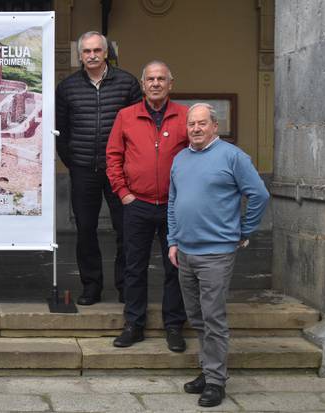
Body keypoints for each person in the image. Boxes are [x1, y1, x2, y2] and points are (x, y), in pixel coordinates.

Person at [168, 103, 269, 407]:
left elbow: (260, 194)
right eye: (191, 124)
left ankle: (216, 381)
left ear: (215, 126)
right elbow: (174, 201)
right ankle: (208, 369)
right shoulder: (181, 158)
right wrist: (173, 240)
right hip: (184, 251)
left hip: (216, 253)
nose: (195, 129)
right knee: (197, 317)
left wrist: (243, 231)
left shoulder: (233, 156)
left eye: (201, 124)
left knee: (213, 318)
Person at [106, 60, 189, 351]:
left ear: (170, 83)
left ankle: (174, 326)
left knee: (175, 267)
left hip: (173, 207)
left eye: (161, 79)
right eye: (150, 79)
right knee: (134, 267)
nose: (155, 83)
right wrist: (123, 192)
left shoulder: (185, 116)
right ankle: (134, 324)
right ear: (143, 85)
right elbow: (113, 156)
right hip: (137, 204)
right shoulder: (126, 116)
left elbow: (197, 156)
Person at [55, 31, 142, 306]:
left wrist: (126, 164)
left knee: (125, 230)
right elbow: (62, 130)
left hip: (119, 171)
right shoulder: (67, 87)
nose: (91, 55)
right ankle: (91, 287)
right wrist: (74, 161)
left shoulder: (127, 84)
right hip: (83, 170)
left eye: (97, 50)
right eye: (86, 51)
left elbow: (137, 128)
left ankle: (125, 287)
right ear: (79, 55)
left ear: (106, 53)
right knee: (86, 230)